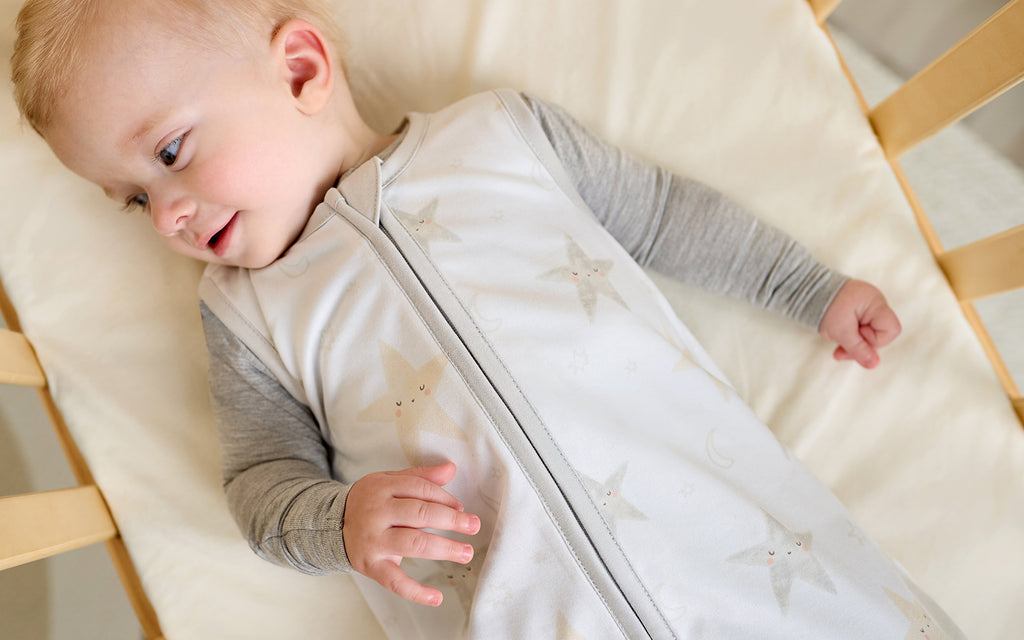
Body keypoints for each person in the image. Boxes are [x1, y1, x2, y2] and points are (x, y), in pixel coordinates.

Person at [11, 0, 909, 632]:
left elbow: (667, 217)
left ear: (300, 68)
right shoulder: (248, 316)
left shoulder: (498, 140)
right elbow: (260, 488)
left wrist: (807, 289)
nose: (166, 214)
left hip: (750, 558)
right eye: (133, 199)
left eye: (169, 153)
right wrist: (341, 518)